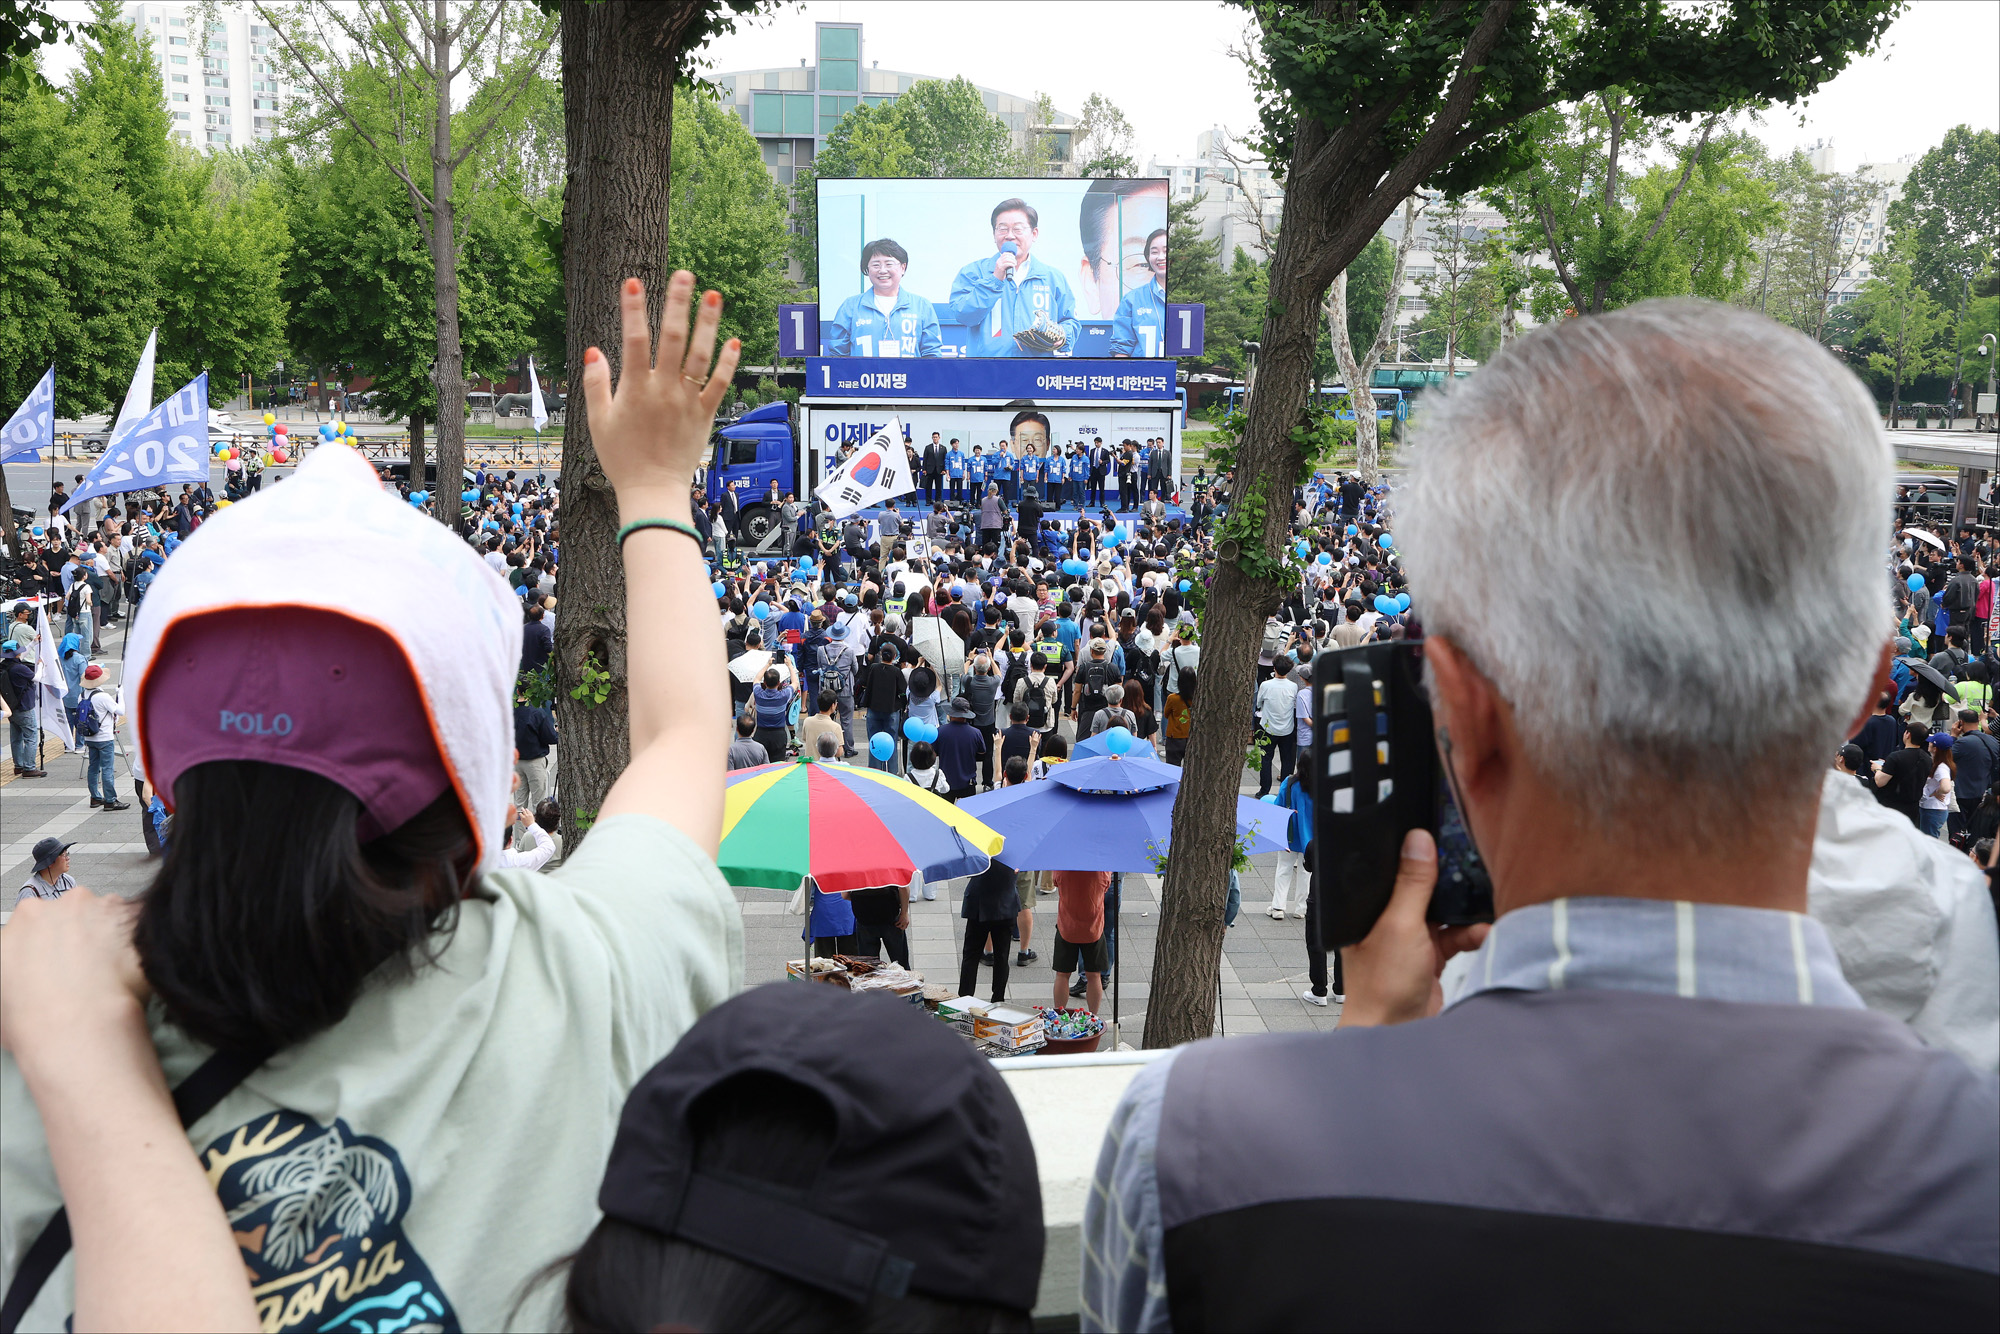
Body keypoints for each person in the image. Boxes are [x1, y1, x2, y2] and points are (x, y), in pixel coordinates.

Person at [1082, 300, 2000, 1332]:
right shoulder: (1973, 1173)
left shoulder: (1199, 1152)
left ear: (1458, 710)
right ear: (1866, 690)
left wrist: (1343, 1091)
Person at [2, 272, 748, 1334]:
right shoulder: (577, 972)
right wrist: (657, 485)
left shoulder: (33, 1049)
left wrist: (76, 1047)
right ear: (475, 787)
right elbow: (681, 733)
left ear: (170, 778)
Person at [946, 197, 1080, 358]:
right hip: (988, 372)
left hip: (1037, 372)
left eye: (1018, 229)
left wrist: (1062, 336)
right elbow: (963, 315)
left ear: (1034, 233)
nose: (1009, 236)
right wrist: (995, 279)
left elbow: (1070, 321)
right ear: (994, 234)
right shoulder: (973, 272)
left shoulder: (1052, 277)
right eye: (1002, 229)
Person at [823, 238, 942, 358]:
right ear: (867, 269)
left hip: (909, 376)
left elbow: (932, 353)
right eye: (876, 265)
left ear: (903, 267)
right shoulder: (850, 306)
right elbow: (838, 354)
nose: (882, 270)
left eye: (889, 264)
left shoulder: (922, 306)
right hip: (863, 376)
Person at [1051, 869, 1112, 1015]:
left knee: (1062, 974)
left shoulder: (1063, 866)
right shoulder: (1100, 869)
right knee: (1094, 975)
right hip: (1093, 928)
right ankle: (1093, 1016)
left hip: (1067, 926)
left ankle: (1059, 1015)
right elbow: (1106, 885)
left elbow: (1055, 881)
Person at [1110, 228, 1169, 357]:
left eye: (1166, 251)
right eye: (1154, 252)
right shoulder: (1132, 299)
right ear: (1147, 257)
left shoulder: (1190, 295)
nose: (1160, 257)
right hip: (1143, 375)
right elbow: (1121, 349)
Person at [75, 663, 126, 811]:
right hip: (104, 738)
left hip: (90, 737)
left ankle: (95, 797)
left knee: (93, 767)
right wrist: (120, 694)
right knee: (107, 769)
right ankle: (110, 800)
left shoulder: (82, 695)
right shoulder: (103, 696)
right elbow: (120, 711)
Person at [1253, 654, 1300, 798]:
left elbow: (1259, 704)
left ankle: (1264, 790)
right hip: (1287, 728)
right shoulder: (1293, 686)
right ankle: (1284, 791)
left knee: (1266, 759)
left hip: (1268, 727)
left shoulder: (1266, 685)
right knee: (1287, 762)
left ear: (1274, 668)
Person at [857, 641, 909, 774]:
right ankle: (892, 772)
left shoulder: (874, 668)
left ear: (880, 654)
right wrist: (903, 706)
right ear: (894, 656)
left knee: (874, 742)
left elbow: (863, 683)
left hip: (873, 709)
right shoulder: (897, 672)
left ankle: (875, 771)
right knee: (890, 742)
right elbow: (902, 691)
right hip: (891, 710)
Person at [1872, 720, 1933, 827]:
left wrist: (1877, 769)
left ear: (1908, 734)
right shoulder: (1927, 759)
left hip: (1891, 808)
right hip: (1913, 809)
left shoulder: (1896, 757)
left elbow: (1880, 782)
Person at [2, 641, 46, 778]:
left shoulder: (4, 666)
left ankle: (18, 766)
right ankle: (29, 768)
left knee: (16, 737)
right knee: (31, 736)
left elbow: (20, 655)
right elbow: (37, 678)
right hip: (24, 707)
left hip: (10, 707)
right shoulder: (20, 669)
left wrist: (33, 643)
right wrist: (41, 665)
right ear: (16, 653)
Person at [514, 682, 559, 813]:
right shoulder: (537, 713)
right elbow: (551, 738)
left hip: (516, 761)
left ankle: (519, 833)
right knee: (539, 803)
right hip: (534, 761)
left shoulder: (511, 712)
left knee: (519, 804)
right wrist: (556, 731)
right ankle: (538, 832)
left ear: (518, 691)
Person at [932, 697, 986, 802]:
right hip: (968, 783)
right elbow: (982, 751)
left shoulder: (940, 732)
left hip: (946, 783)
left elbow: (934, 753)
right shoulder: (975, 733)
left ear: (951, 713)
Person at [1917, 732, 1957, 840]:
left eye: (1931, 743)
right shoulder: (1941, 763)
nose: (1928, 744)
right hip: (1934, 809)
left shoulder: (1941, 767)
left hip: (1933, 809)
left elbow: (1946, 787)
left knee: (1929, 842)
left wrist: (1937, 792)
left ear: (1935, 748)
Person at [753, 665, 796, 761]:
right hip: (778, 736)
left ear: (764, 682)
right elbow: (795, 682)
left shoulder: (758, 694)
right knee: (777, 767)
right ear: (778, 682)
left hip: (761, 734)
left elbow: (756, 679)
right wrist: (789, 665)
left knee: (760, 765)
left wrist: (767, 664)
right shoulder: (784, 695)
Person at [1162, 669, 1195, 766]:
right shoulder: (1197, 699)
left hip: (1174, 737)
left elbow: (1166, 714)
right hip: (1190, 736)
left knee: (1172, 767)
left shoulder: (1172, 698)